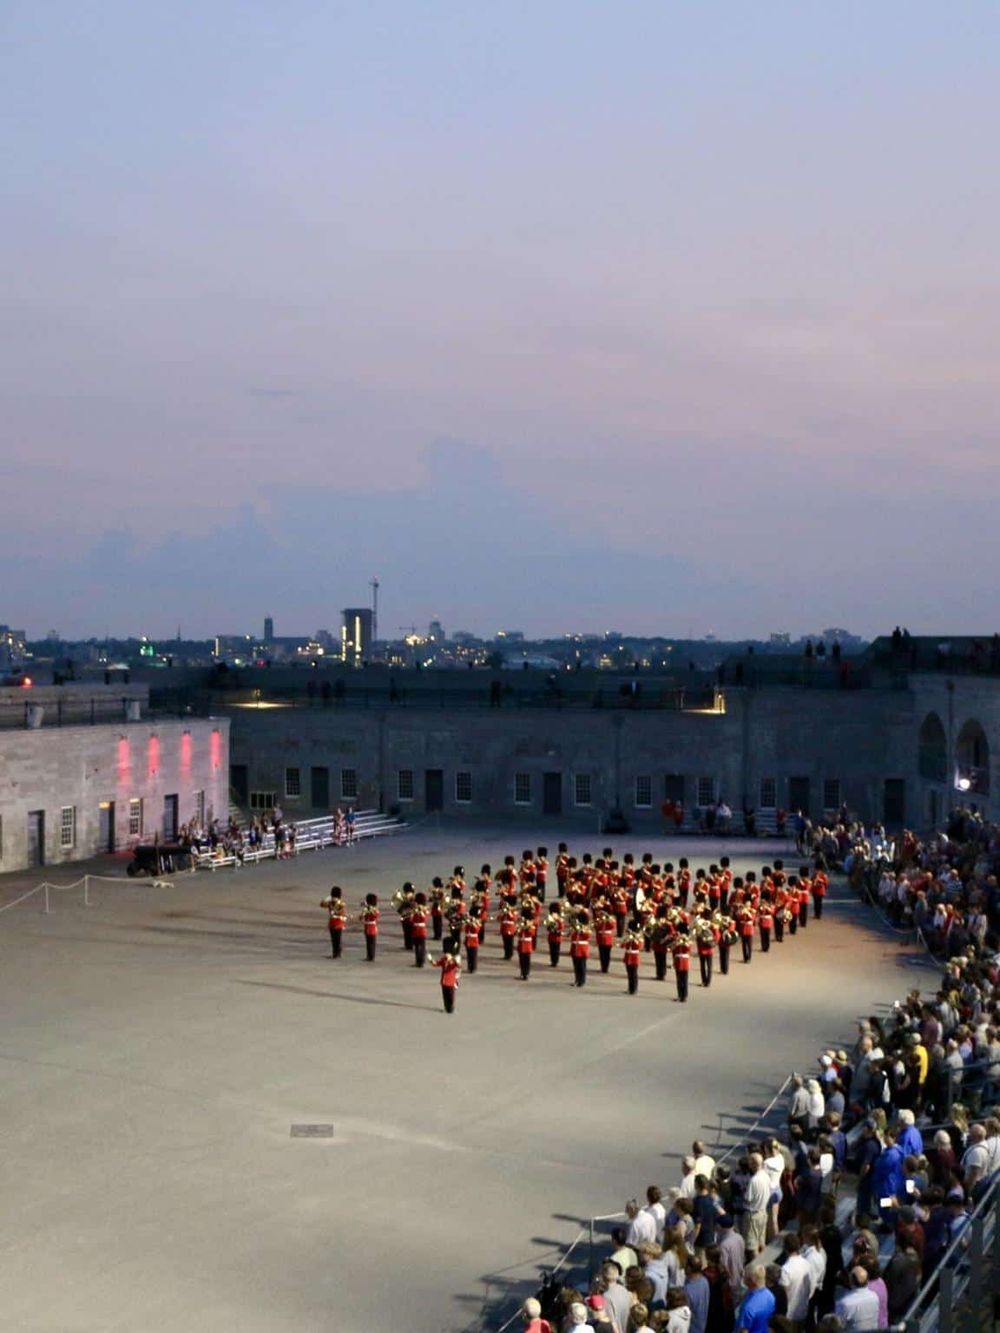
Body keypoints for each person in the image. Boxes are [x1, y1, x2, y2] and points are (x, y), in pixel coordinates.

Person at [734, 1265, 774, 1333]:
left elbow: (743, 1331)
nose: (743, 1276)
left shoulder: (749, 1307)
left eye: (745, 1275)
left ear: (751, 1280)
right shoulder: (770, 1296)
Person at [319, 887, 347, 958]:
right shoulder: (341, 903)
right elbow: (343, 912)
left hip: (333, 921)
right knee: (338, 938)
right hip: (339, 922)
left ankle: (335, 954)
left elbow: (321, 904)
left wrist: (328, 898)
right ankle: (338, 953)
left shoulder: (330, 902)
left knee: (334, 938)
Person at [431, 948, 461, 1013]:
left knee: (451, 996)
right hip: (444, 981)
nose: (446, 955)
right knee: (445, 996)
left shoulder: (453, 961)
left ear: (450, 955)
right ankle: (446, 1008)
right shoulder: (443, 960)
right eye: (446, 954)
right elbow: (436, 964)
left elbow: (459, 966)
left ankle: (451, 1008)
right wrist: (431, 960)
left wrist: (456, 961)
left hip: (450, 981)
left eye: (448, 954)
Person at [622, 920, 643, 995]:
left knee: (634, 974)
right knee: (629, 974)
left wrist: (635, 939)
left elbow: (640, 947)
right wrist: (627, 939)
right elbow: (622, 946)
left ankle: (634, 989)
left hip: (634, 957)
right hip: (628, 956)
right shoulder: (628, 936)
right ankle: (630, 988)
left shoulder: (639, 938)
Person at [409, 891, 430, 967]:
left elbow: (425, 919)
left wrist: (421, 912)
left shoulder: (425, 910)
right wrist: (413, 913)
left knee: (422, 946)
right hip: (415, 929)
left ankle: (422, 961)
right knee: (416, 947)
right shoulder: (415, 909)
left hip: (421, 930)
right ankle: (417, 961)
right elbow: (411, 920)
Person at [359, 892, 379, 961]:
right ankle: (369, 956)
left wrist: (368, 908)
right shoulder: (366, 909)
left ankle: (371, 956)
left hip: (372, 926)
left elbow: (375, 915)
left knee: (372, 943)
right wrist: (364, 910)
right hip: (367, 926)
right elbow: (361, 917)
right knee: (368, 943)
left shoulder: (374, 909)